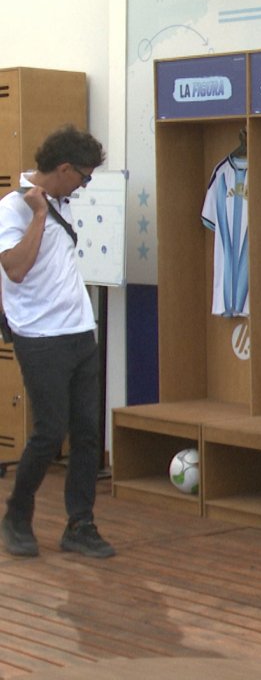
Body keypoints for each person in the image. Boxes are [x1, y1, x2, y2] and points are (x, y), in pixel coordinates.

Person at [0, 125, 115, 559]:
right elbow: (16, 269)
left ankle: (80, 525)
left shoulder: (63, 199)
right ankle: (17, 515)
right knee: (49, 433)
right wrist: (38, 216)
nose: (84, 185)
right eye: (83, 176)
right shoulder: (13, 209)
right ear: (64, 169)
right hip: (40, 336)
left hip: (80, 331)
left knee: (86, 434)